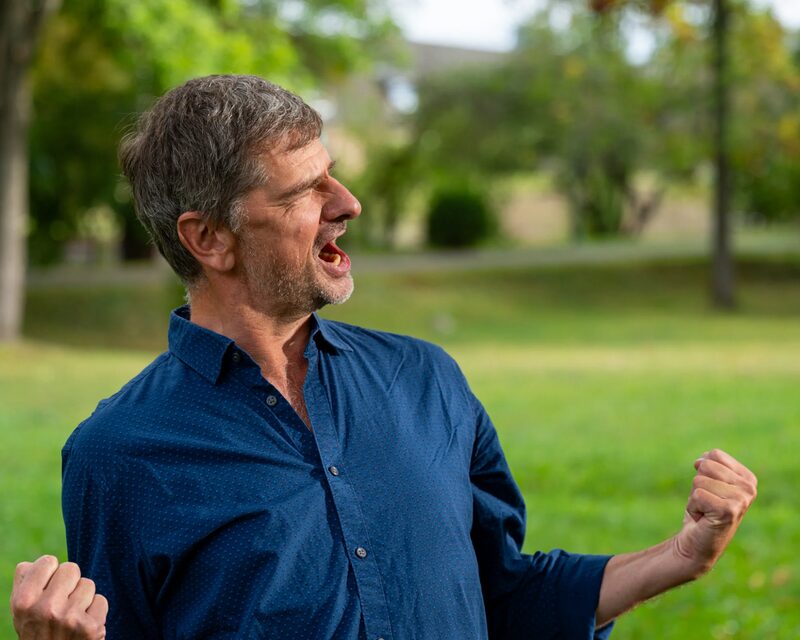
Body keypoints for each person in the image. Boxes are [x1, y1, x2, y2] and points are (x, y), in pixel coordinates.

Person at [10, 75, 757, 640]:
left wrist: (680, 557)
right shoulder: (120, 457)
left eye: (332, 171)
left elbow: (503, 598)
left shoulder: (426, 380)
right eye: (307, 188)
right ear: (209, 238)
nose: (349, 201)